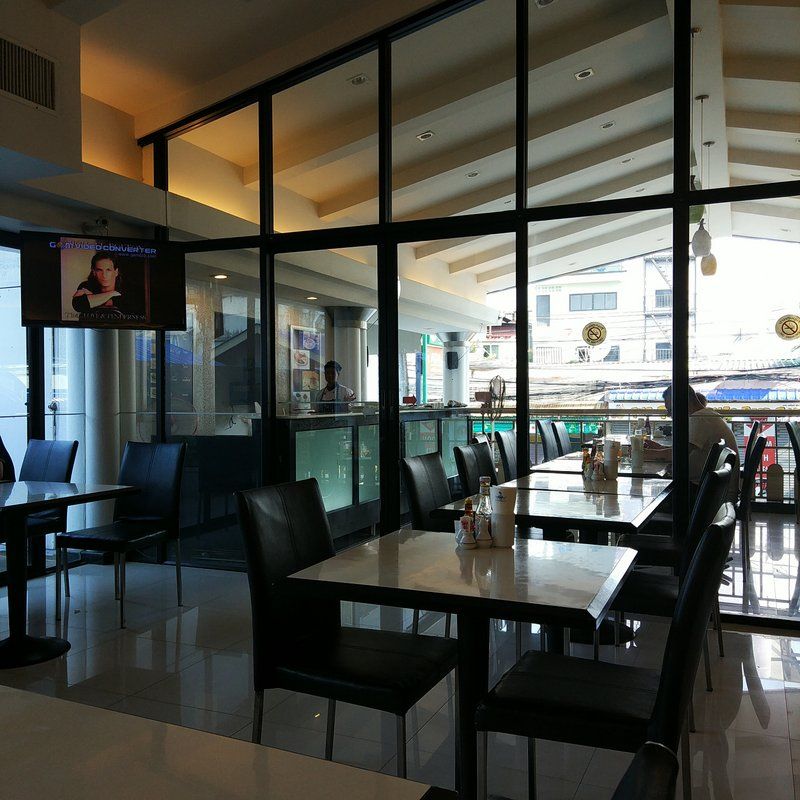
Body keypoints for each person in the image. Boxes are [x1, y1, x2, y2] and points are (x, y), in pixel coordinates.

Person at [645, 384, 739, 500]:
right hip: (715, 491)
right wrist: (660, 448)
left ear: (684, 402)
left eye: (671, 410)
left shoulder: (699, 419)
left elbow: (678, 456)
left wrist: (643, 454)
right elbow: (683, 450)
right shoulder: (706, 415)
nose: (669, 415)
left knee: (652, 496)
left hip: (708, 496)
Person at [72, 252, 127, 321]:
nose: (104, 275)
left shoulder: (126, 288)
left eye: (108, 270)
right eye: (99, 270)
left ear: (116, 272)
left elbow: (127, 306)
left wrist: (93, 299)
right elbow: (78, 305)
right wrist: (112, 293)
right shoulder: (86, 285)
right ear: (94, 272)